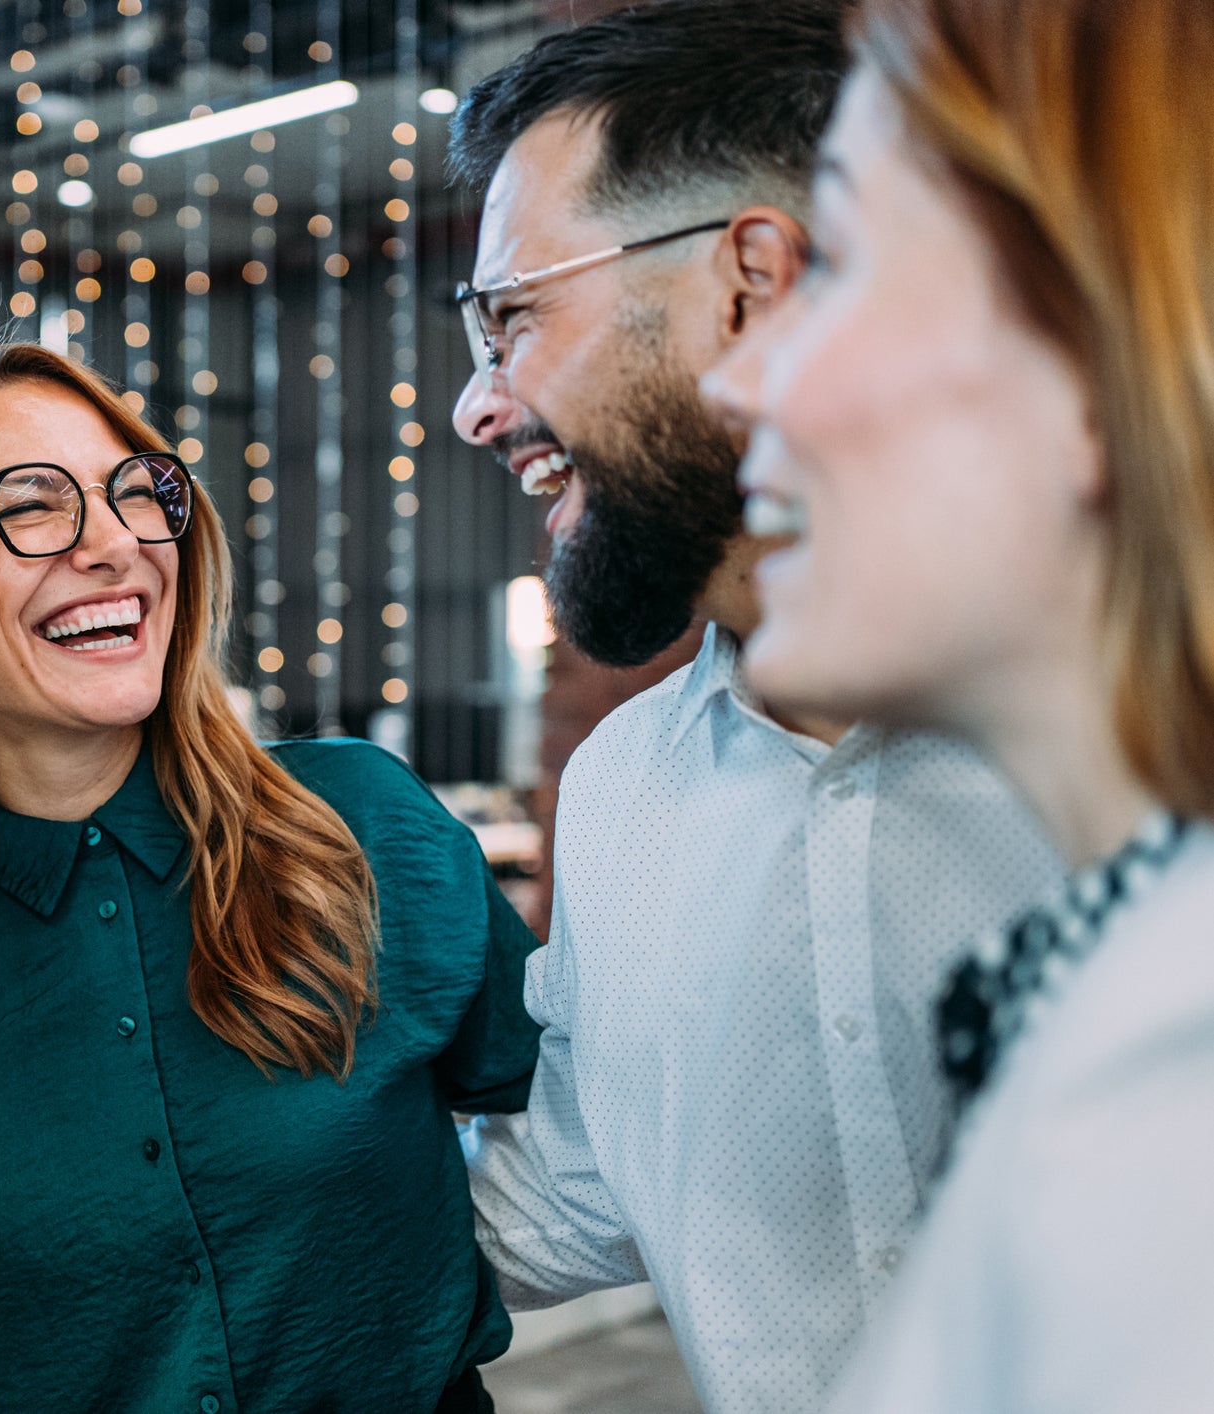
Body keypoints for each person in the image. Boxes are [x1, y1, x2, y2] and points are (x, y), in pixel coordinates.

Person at [0, 342, 542, 1414]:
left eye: (135, 492)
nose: (118, 543)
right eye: (31, 506)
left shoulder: (359, 827)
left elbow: (592, 1118)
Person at [442, 3, 1062, 1409]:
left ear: (753, 282)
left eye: (513, 317)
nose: (476, 408)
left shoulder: (1147, 714)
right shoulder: (622, 792)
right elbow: (565, 1192)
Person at [701, 0, 1214, 1407]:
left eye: (838, 261)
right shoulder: (1120, 999)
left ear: (1107, 344)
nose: (735, 376)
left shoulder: (1169, 1098)